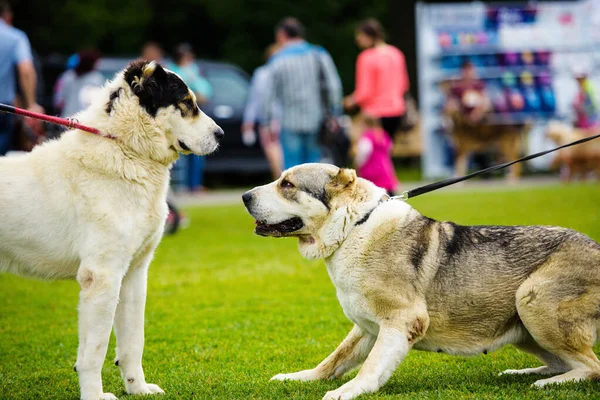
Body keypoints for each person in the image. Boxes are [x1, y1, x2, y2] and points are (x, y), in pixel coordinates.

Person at [262, 17, 343, 170]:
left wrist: (267, 122)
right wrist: (335, 112)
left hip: (289, 121)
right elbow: (334, 86)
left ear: (281, 35)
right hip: (316, 119)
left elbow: (267, 94)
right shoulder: (319, 55)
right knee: (313, 166)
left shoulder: (277, 60)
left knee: (292, 168)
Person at [343, 18, 410, 139]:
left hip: (374, 114)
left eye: (360, 36)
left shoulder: (366, 58)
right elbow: (404, 85)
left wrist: (350, 101)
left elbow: (365, 92)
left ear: (369, 36)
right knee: (385, 150)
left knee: (371, 153)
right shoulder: (396, 53)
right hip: (397, 110)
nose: (357, 40)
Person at [168, 43, 213, 193]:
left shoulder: (194, 70)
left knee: (198, 151)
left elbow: (205, 92)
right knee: (182, 151)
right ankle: (181, 186)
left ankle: (195, 185)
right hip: (181, 118)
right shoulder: (172, 71)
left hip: (197, 114)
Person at [0, 0, 43, 155]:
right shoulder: (15, 37)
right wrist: (31, 104)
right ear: (7, 16)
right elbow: (26, 70)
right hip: (3, 108)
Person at [242, 43, 283, 179]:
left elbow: (254, 99)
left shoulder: (261, 74)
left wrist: (248, 121)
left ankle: (280, 179)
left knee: (273, 153)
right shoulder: (285, 72)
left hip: (268, 120)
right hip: (284, 119)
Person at [355, 115, 399, 196]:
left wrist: (357, 164)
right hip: (385, 168)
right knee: (390, 195)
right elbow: (389, 149)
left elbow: (363, 153)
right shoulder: (383, 134)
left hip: (371, 171)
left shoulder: (367, 137)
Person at [57, 49, 105, 117]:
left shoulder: (66, 76)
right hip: (86, 119)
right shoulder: (96, 78)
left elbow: (59, 101)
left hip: (66, 118)